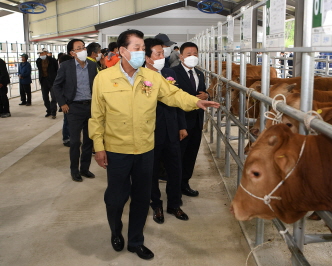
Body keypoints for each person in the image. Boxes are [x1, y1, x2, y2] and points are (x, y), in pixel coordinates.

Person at [88, 29, 219, 260]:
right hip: (117, 150)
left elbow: (173, 95)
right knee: (116, 197)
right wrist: (99, 147)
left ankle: (136, 241)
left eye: (141, 48)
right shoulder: (104, 78)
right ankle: (116, 230)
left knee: (141, 197)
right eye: (136, 48)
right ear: (122, 51)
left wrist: (196, 102)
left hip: (145, 149)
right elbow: (97, 117)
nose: (140, 52)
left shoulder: (150, 78)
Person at [144, 38, 189, 224]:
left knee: (175, 168)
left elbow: (177, 100)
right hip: (151, 131)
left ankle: (174, 204)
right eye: (159, 53)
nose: (163, 57)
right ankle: (156, 204)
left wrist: (182, 125)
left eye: (163, 53)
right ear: (147, 57)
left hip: (171, 129)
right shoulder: (140, 76)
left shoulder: (169, 73)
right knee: (152, 171)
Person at [53, 39, 98, 182]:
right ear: (72, 53)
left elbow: (96, 84)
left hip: (90, 107)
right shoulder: (66, 66)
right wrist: (62, 103)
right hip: (74, 108)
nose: (83, 50)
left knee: (88, 141)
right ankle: (74, 170)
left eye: (83, 47)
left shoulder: (92, 65)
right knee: (75, 142)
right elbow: (57, 86)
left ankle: (85, 169)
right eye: (79, 48)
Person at [171, 42, 209, 197]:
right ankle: (174, 186)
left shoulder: (199, 74)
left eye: (195, 54)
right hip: (182, 123)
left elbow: (203, 92)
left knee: (191, 155)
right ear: (181, 56)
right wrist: (180, 125)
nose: (192, 57)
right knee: (177, 156)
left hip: (197, 121)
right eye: (188, 54)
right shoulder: (172, 73)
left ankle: (184, 183)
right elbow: (173, 100)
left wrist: (207, 95)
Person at [36, 48, 58, 118]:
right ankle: (49, 110)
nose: (40, 55)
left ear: (45, 52)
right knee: (45, 97)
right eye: (40, 54)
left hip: (52, 80)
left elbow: (57, 70)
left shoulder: (53, 60)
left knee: (53, 97)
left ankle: (53, 112)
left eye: (42, 53)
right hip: (43, 80)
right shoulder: (38, 61)